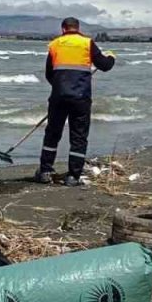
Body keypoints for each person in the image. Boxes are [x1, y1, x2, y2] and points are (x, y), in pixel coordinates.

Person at [35, 17, 116, 186]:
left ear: (63, 29)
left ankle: (45, 171)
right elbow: (104, 65)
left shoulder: (55, 44)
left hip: (58, 97)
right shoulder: (87, 43)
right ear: (77, 28)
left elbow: (49, 73)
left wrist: (60, 87)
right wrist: (111, 57)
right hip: (80, 98)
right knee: (78, 136)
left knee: (52, 134)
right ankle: (73, 176)